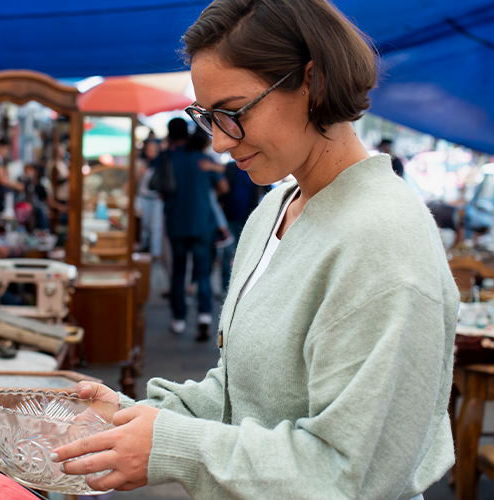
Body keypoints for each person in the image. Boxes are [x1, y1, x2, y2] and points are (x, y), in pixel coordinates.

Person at [49, 1, 458, 498]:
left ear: (313, 82)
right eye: (209, 117)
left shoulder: (383, 239)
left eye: (234, 112)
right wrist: (135, 418)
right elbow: (242, 393)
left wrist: (174, 445)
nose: (220, 142)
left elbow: (349, 474)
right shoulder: (275, 209)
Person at [160, 118, 221, 340]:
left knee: (178, 271)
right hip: (202, 222)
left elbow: (155, 185)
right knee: (203, 271)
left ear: (169, 134)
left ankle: (179, 319)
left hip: (176, 221)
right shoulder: (204, 160)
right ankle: (204, 315)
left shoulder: (167, 158)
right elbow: (223, 186)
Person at [218, 159, 264, 292]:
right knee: (228, 252)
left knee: (244, 254)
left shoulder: (257, 169)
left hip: (248, 219)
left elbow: (265, 191)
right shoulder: (231, 167)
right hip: (229, 218)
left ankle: (240, 285)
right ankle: (226, 285)